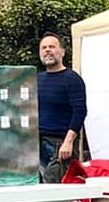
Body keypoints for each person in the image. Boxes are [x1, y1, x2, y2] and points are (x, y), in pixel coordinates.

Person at [36, 32, 87, 183]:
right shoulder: (37, 79)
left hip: (60, 145)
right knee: (42, 191)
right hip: (38, 143)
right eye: (43, 47)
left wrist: (68, 141)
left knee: (58, 189)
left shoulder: (72, 79)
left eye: (52, 46)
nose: (47, 50)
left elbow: (80, 111)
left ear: (62, 52)